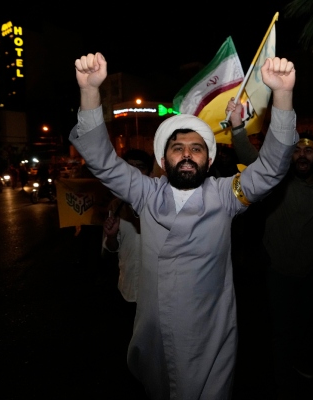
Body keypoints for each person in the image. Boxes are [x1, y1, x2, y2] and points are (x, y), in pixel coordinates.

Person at [70, 51, 297, 400]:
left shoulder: (225, 195)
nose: (187, 154)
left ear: (208, 161)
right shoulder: (145, 193)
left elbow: (271, 169)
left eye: (196, 149)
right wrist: (89, 93)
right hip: (155, 334)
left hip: (209, 336)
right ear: (164, 160)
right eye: (178, 148)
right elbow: (102, 161)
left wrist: (282, 95)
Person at [226, 99, 313, 397]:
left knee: (311, 329)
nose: (302, 155)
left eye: (309, 150)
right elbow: (251, 157)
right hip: (279, 274)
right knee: (281, 332)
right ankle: (282, 382)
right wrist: (237, 127)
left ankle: (303, 368)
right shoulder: (277, 181)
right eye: (297, 149)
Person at [101, 148, 154, 304]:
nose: (134, 172)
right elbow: (112, 247)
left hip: (157, 295)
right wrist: (111, 236)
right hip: (127, 289)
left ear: (150, 174)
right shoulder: (115, 205)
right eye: (129, 166)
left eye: (140, 167)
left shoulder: (161, 205)